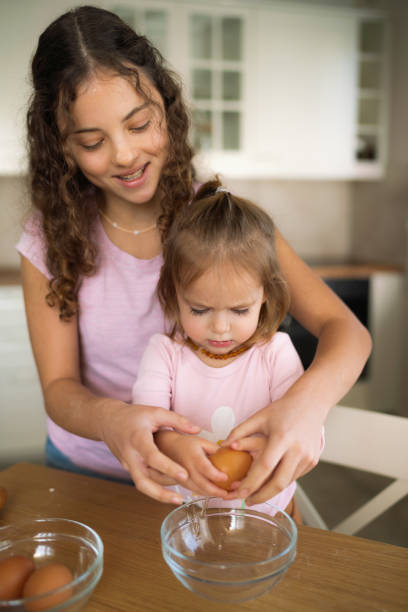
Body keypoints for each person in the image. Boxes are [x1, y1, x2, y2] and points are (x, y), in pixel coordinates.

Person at [17, 6, 371, 507]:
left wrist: (304, 405)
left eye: (139, 124)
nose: (123, 154)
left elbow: (348, 332)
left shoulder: (218, 221)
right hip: (90, 474)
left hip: (217, 486)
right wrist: (112, 419)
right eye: (93, 141)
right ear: (63, 148)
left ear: (166, 105)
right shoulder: (49, 238)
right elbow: (58, 386)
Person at [132, 179, 324, 521]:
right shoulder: (164, 354)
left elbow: (304, 426)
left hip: (269, 520)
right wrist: (172, 444)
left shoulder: (276, 353)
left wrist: (275, 446)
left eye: (239, 311)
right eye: (200, 310)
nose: (220, 328)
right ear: (175, 292)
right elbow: (147, 426)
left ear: (264, 294)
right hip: (190, 521)